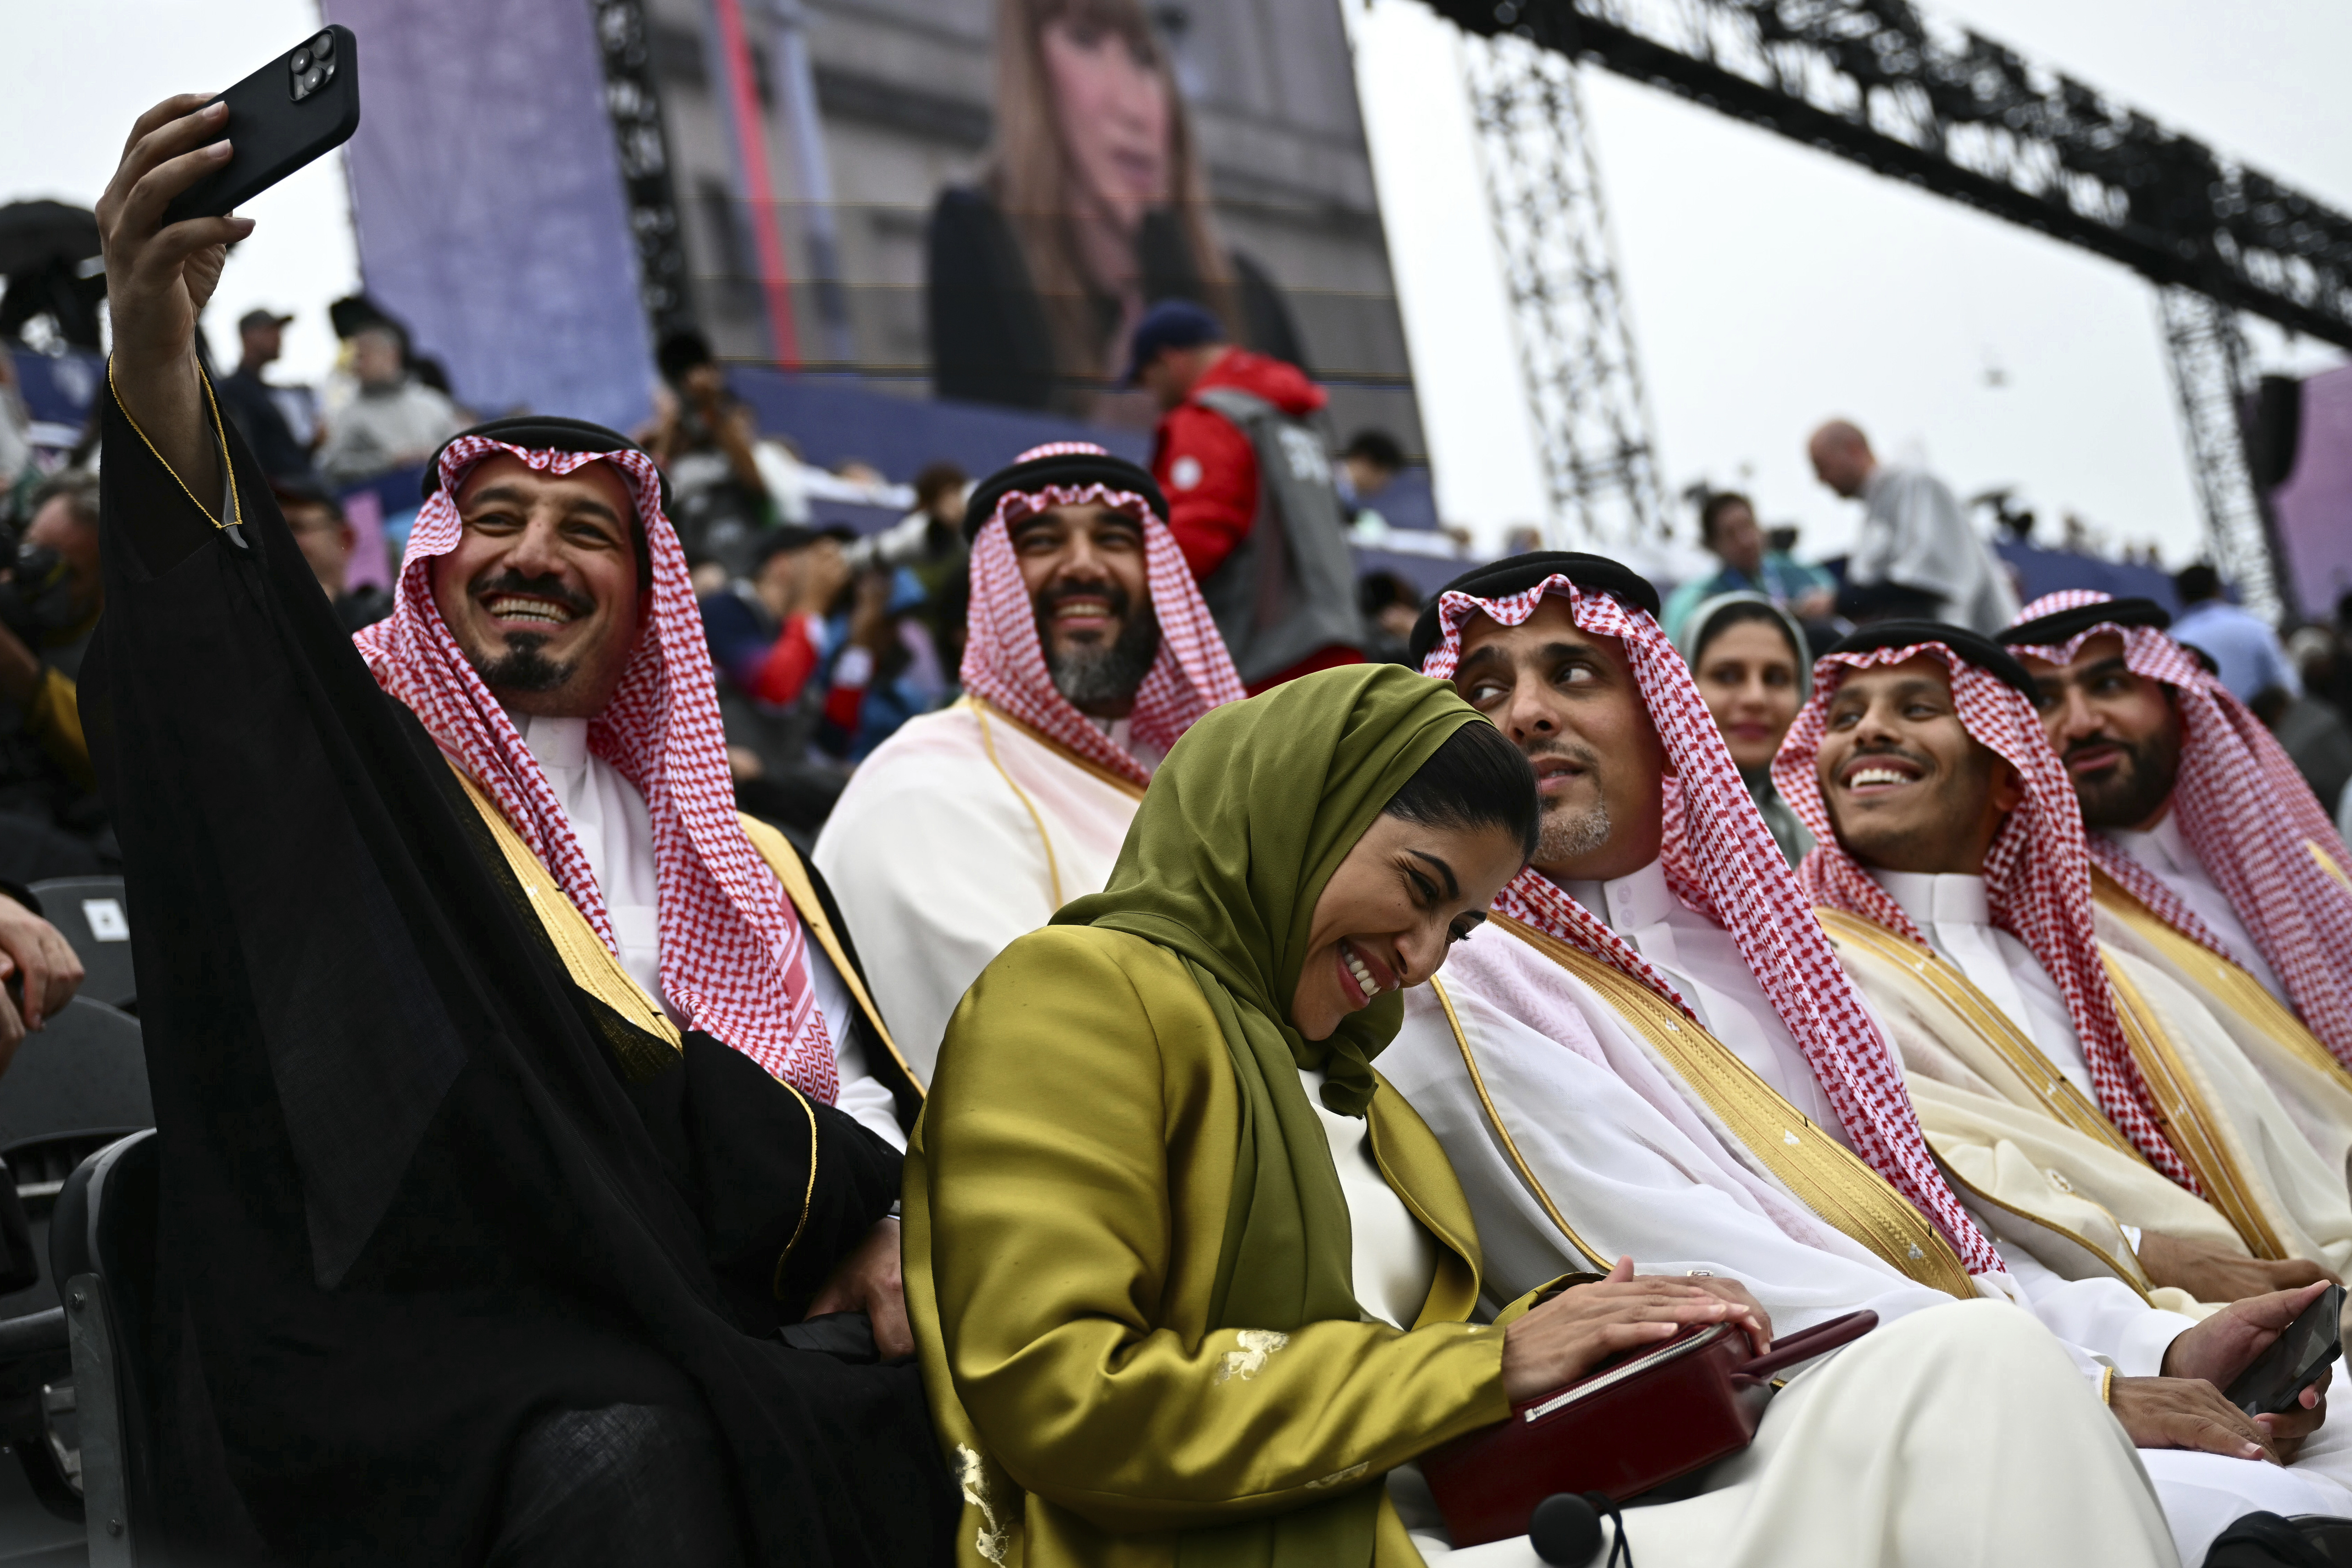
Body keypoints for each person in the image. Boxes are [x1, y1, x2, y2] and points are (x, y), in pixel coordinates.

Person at [91, 93, 951, 1563]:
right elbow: (215, 657)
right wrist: (156, 354)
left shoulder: (738, 848)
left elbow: (851, 1094)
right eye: (493, 519)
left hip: (715, 1294)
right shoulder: (353, 767)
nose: (533, 555)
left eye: (586, 530)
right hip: (434, 1326)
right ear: (431, 563)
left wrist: (891, 1223)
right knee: (629, 1457)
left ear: (649, 600)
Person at [910, 661, 2182, 1568]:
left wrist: (1592, 1331)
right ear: (1291, 815)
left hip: (1461, 1521)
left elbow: (1380, 1343)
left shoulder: (1353, 1084)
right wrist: (1487, 1362)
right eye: (1415, 888)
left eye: (1456, 926)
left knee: (1974, 1364)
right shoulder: (1081, 994)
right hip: (1287, 1547)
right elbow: (1057, 1391)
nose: (1417, 958)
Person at [1370, 560, 2352, 1561]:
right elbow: (1712, 1279)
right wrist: (2089, 1382)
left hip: (1955, 1365)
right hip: (1768, 1424)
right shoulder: (1454, 979)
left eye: (1572, 674)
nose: (1526, 713)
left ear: (1661, 724)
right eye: (1484, 688)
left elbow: (1929, 1237)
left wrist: (2160, 1343)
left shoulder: (1758, 953)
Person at [1772, 621, 2352, 1283]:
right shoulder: (1807, 977)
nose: (1867, 731)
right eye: (1844, 716)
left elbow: (2292, 1184)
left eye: (1917, 709)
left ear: (2009, 778)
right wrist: (2138, 1252)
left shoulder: (2113, 982)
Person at [813, 442, 1244, 1078]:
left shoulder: (1201, 800)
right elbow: (1036, 1062)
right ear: (993, 590)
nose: (1082, 566)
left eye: (1115, 539)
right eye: (1041, 541)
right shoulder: (923, 787)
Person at [1999, 592, 2352, 1098]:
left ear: (2183, 712)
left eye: (2110, 684)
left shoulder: (2305, 870)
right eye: (2045, 700)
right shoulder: (2043, 934)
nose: (2081, 722)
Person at [925, 0, 1302, 416]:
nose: (1133, 109)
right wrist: (1109, 436)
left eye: (1145, 58)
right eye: (1085, 40)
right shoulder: (980, 241)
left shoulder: (1250, 297)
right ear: (1028, 68)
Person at [1135, 299, 1368, 690]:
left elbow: (1192, 539)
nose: (1150, 395)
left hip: (1267, 667)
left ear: (1170, 361)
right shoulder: (1296, 419)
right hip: (1336, 648)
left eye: (1146, 379)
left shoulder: (1211, 418)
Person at [1806, 420, 2017, 634]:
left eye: (1822, 466)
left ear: (1854, 449)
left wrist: (1839, 601)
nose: (1820, 479)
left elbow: (1928, 581)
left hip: (1973, 649)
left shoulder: (1917, 484)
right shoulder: (1876, 508)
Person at [0, 470, 107, 866]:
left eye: (69, 573)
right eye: (33, 551)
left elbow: (110, 759)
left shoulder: (120, 654)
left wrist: (20, 673)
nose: (37, 578)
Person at [1676, 591, 1813, 864]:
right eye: (1727, 676)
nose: (1756, 699)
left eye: (1776, 678)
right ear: (1681, 688)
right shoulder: (1647, 835)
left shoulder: (1827, 832)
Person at [646, 328, 774, 572]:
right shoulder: (661, 436)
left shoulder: (732, 420)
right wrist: (668, 428)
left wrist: (712, 408)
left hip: (749, 547)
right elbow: (647, 495)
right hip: (696, 561)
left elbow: (757, 483)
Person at [1659, 491, 1834, 642]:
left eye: (1748, 526)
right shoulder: (1711, 600)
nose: (1745, 541)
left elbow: (1834, 597)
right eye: (1730, 534)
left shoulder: (1794, 570)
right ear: (1713, 546)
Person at [317, 321, 464, 489]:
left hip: (436, 501)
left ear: (392, 355)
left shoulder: (432, 404)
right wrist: (388, 461)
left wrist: (434, 457)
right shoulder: (345, 415)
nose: (357, 364)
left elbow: (460, 455)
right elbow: (332, 468)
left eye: (364, 356)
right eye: (355, 357)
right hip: (373, 507)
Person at [213, 305, 320, 484]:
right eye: (270, 331)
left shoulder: (263, 390)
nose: (279, 338)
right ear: (249, 337)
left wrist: (312, 446)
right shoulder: (234, 392)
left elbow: (279, 456)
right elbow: (250, 460)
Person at [2169, 563, 2300, 706]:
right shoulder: (2253, 624)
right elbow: (2288, 686)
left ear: (2182, 598)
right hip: (2263, 723)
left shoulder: (2173, 641)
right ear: (2217, 589)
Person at [274, 477, 392, 632]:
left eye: (295, 527)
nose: (279, 542)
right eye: (272, 532)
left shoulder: (391, 617)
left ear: (345, 540)